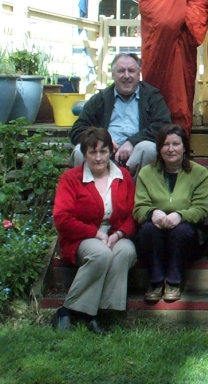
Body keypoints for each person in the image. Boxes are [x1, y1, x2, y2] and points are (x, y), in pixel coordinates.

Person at [52, 127, 137, 334]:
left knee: (125, 251)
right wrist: (97, 234)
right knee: (100, 253)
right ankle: (68, 309)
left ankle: (101, 312)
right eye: (92, 152)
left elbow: (133, 214)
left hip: (115, 233)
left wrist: (118, 234)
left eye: (103, 152)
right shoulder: (71, 178)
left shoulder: (123, 176)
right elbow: (62, 219)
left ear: (111, 152)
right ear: (84, 153)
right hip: (82, 236)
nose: (98, 158)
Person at [138, 0, 208, 134]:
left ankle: (180, 145)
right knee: (153, 93)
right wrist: (172, 17)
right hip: (156, 47)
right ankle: (151, 138)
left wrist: (172, 19)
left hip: (180, 45)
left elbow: (199, 9)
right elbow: (149, 11)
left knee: (179, 96)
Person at [133, 124, 208, 303]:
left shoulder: (200, 173)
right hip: (155, 229)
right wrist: (153, 213)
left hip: (187, 233)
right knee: (147, 230)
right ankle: (156, 281)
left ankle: (174, 281)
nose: (170, 149)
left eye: (176, 144)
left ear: (184, 147)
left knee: (180, 231)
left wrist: (180, 216)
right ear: (159, 148)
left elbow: (201, 209)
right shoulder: (147, 173)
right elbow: (139, 208)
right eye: (165, 144)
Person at [70, 53, 171, 180]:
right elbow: (77, 129)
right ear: (113, 75)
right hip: (103, 153)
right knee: (80, 150)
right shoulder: (101, 99)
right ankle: (90, 196)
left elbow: (163, 126)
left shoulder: (152, 96)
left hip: (137, 155)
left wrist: (132, 142)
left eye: (131, 71)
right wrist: (102, 140)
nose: (127, 76)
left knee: (148, 148)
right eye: (121, 71)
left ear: (139, 74)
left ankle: (139, 196)